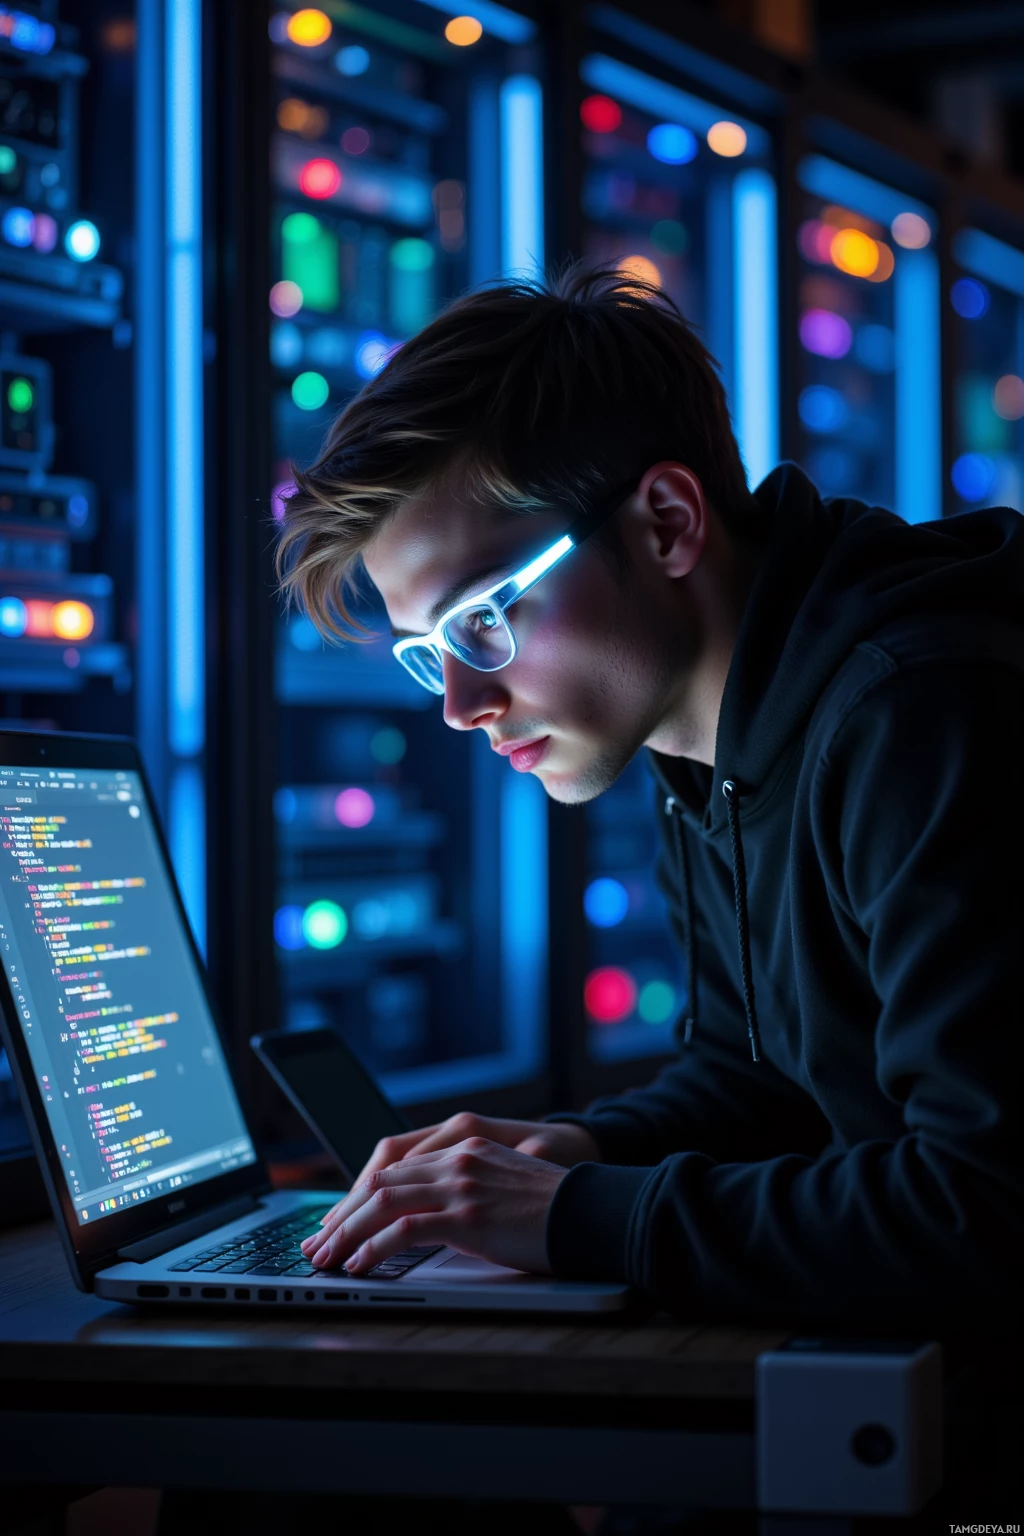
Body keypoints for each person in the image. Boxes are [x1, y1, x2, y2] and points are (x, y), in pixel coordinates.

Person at [275, 262, 1022, 1339]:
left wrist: (580, 1215)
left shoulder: (917, 716)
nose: (459, 704)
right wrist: (568, 1153)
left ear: (667, 523)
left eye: (480, 620)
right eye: (425, 654)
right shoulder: (705, 736)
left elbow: (985, 1208)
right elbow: (757, 1079)